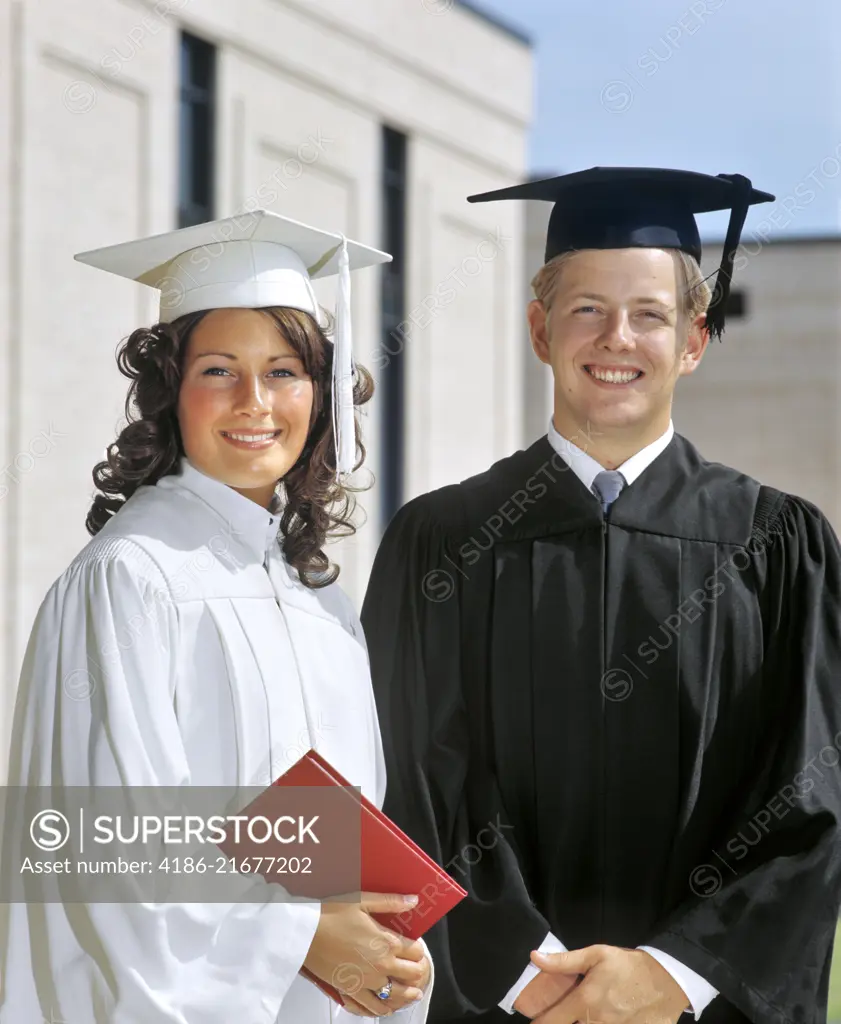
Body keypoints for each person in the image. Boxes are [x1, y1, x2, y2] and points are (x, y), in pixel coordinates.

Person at [360, 167, 841, 1023]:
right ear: (540, 330)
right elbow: (410, 781)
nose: (615, 338)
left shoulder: (778, 547)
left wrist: (674, 975)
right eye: (586, 309)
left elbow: (811, 797)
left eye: (649, 314)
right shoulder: (440, 541)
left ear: (693, 340)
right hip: (498, 1004)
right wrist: (522, 970)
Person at [0, 210, 434, 1023]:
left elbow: (345, 838)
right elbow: (99, 846)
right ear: (171, 393)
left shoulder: (320, 602)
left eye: (283, 372)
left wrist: (386, 950)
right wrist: (297, 936)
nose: (255, 402)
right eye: (218, 371)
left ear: (321, 391)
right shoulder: (131, 579)